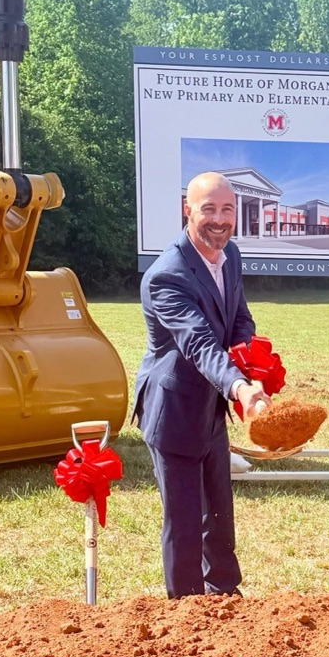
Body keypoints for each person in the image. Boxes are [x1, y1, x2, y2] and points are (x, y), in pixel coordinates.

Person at [134, 172, 269, 598]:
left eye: (227, 209)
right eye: (208, 209)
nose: (219, 219)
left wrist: (255, 362)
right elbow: (200, 344)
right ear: (187, 210)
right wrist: (240, 388)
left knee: (219, 512)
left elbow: (238, 319)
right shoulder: (167, 276)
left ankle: (226, 598)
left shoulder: (229, 255)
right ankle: (186, 614)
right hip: (172, 410)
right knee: (186, 520)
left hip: (210, 406)